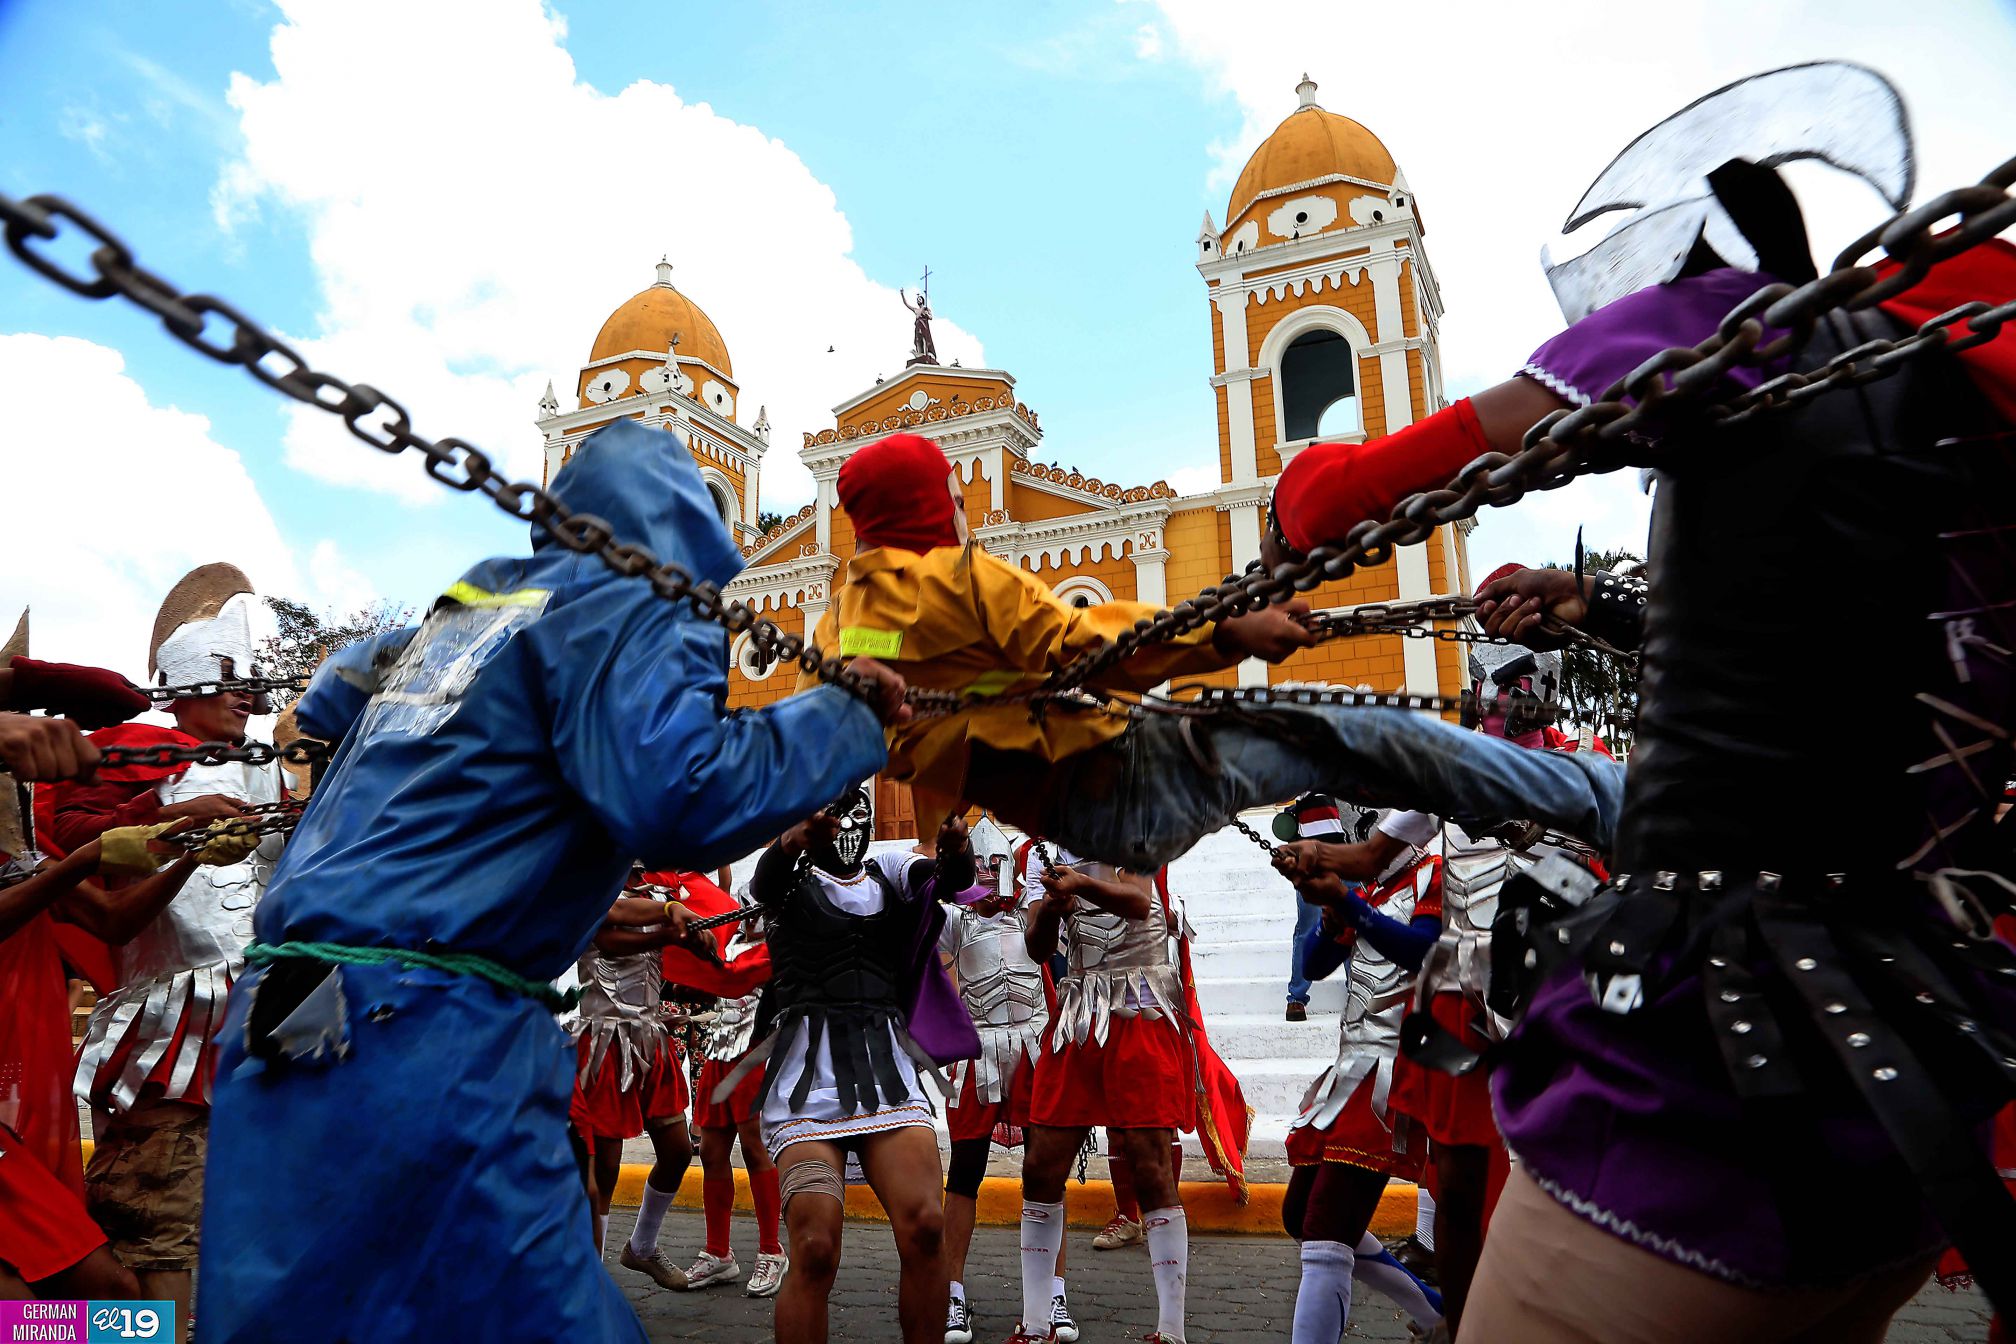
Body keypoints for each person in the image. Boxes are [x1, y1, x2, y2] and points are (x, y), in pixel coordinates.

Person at [1269, 64, 2016, 1342]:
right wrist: (1595, 610)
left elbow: (1358, 491)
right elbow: (1843, 643)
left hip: (1716, 1043)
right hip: (1934, 1025)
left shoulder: (1731, 329)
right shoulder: (1977, 367)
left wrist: (1297, 502)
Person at [195, 418, 908, 1344]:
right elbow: (679, 795)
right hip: (425, 1029)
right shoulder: (636, 596)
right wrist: (844, 716)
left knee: (298, 1313)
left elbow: (335, 694)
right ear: (685, 535)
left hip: (284, 1014)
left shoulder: (463, 611)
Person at [805, 431, 1622, 882]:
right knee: (1355, 731)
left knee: (1348, 747)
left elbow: (856, 669)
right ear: (927, 505)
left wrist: (868, 689)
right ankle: (1609, 800)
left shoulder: (851, 613)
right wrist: (1228, 635)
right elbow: (1085, 641)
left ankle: (1500, 805)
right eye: (952, 494)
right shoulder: (961, 578)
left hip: (1094, 814)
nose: (962, 508)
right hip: (1133, 775)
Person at [41, 568, 284, 1336]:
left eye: (254, 682)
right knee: (148, 1234)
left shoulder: (272, 763)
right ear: (186, 679)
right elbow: (73, 849)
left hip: (258, 1022)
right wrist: (168, 810)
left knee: (213, 1232)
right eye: (230, 679)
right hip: (167, 1028)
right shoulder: (130, 749)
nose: (247, 694)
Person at [733, 789, 979, 1344]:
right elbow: (765, 886)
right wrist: (795, 836)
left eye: (857, 813)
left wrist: (957, 847)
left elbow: (949, 881)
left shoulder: (887, 868)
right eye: (834, 813)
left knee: (925, 1226)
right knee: (816, 1247)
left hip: (887, 1072)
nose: (848, 825)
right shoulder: (786, 871)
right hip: (806, 1082)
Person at [1009, 842, 1247, 1344]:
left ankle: (1170, 1331)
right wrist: (1053, 908)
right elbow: (1037, 947)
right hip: (1079, 1012)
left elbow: (1139, 901)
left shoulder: (1134, 828)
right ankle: (1035, 1325)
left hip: (1141, 1005)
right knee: (1041, 1163)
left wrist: (1079, 885)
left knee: (1150, 1163)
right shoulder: (1039, 851)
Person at [1275, 795, 1446, 1343]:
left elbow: (1422, 950)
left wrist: (1351, 910)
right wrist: (1328, 913)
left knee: (1326, 1231)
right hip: (1350, 1070)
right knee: (1301, 1216)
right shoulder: (1373, 888)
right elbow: (1315, 964)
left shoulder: (1435, 875)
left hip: (1395, 1077)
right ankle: (1436, 1312)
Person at [937, 840, 1062, 1344]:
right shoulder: (954, 919)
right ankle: (952, 1293)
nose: (990, 873)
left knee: (1046, 1170)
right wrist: (952, 877)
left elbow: (1052, 942)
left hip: (1034, 1047)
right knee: (965, 1170)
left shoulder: (1032, 913)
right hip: (977, 1055)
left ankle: (1053, 1293)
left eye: (997, 864)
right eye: (980, 865)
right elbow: (918, 911)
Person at [566, 874, 699, 1288]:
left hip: (650, 1039)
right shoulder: (592, 887)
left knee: (677, 1152)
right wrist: (670, 928)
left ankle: (641, 1247)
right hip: (602, 1042)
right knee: (604, 1168)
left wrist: (695, 937)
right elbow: (608, 936)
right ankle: (591, 1283)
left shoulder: (663, 896)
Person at [677, 885, 786, 1297]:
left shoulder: (780, 946)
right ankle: (718, 1252)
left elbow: (756, 990)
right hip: (719, 1049)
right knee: (711, 1151)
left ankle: (771, 1251)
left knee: (756, 1148)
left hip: (755, 1053)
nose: (746, 912)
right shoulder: (730, 941)